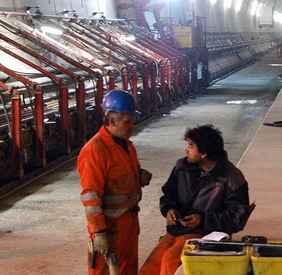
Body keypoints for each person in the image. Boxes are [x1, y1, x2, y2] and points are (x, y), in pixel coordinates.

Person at [139, 124, 250, 275]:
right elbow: (168, 194)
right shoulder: (182, 167)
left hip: (205, 234)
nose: (186, 149)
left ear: (203, 153)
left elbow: (237, 219)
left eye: (191, 145)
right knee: (149, 268)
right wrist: (169, 209)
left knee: (170, 261)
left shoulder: (232, 178)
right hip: (177, 231)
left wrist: (203, 220)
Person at [78, 90, 153, 275]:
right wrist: (99, 233)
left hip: (128, 223)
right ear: (111, 120)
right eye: (127, 122)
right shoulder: (95, 150)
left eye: (133, 121)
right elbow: (91, 197)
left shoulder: (126, 144)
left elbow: (117, 175)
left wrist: (138, 175)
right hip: (109, 227)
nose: (132, 126)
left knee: (127, 270)